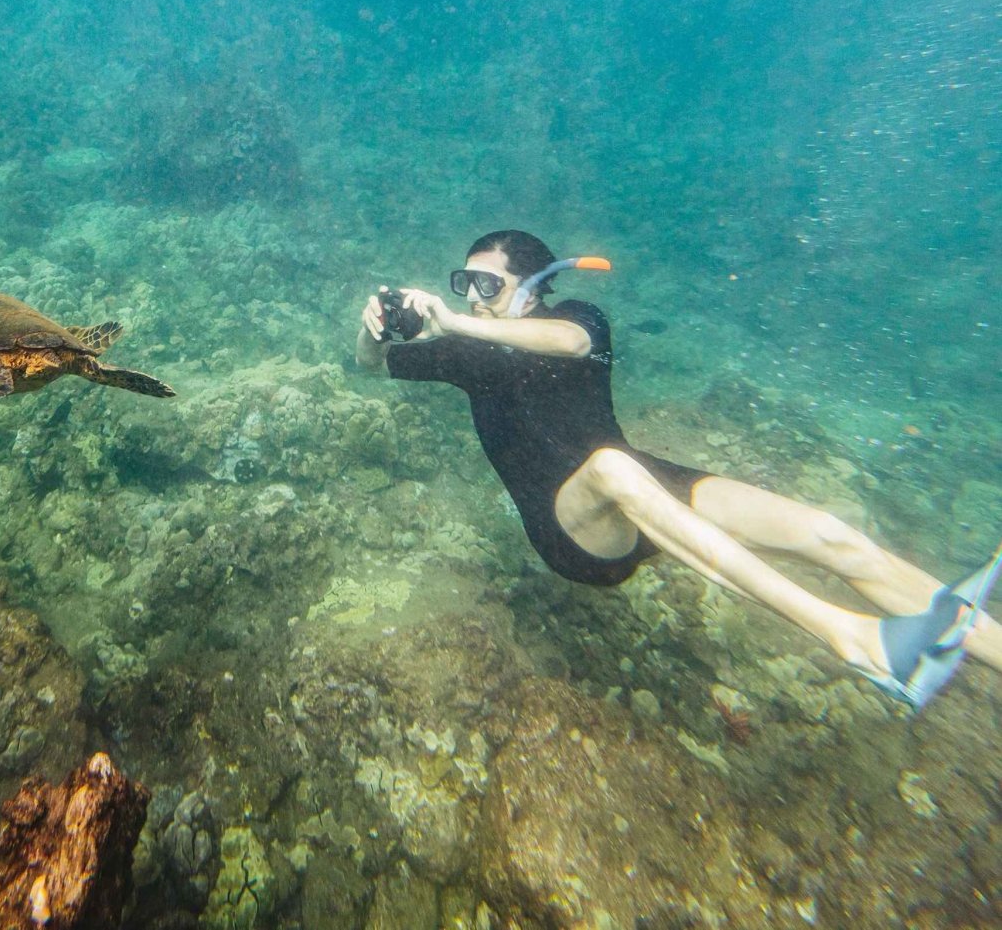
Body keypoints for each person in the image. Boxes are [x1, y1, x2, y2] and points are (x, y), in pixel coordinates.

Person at [355, 229, 1000, 708]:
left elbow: (563, 343)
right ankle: (851, 638)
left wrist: (454, 322)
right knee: (610, 468)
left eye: (486, 285)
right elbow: (372, 365)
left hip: (645, 489)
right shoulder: (465, 355)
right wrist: (374, 328)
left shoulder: (579, 320)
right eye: (463, 284)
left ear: (531, 287)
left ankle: (975, 639)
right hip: (575, 535)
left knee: (829, 535)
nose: (471, 297)